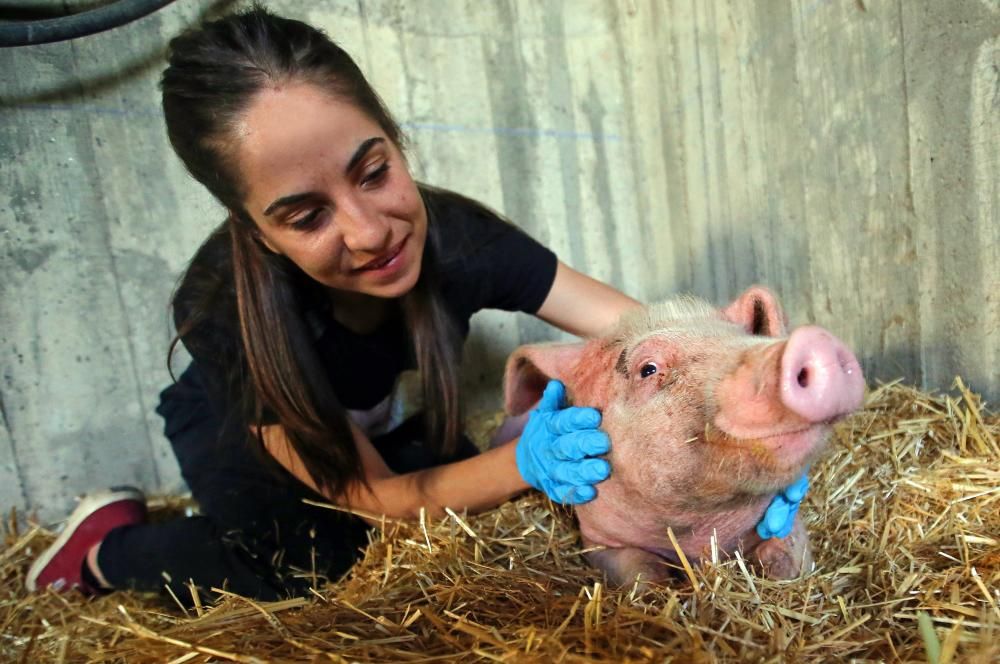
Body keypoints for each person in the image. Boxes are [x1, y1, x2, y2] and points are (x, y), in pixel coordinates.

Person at [26, 6, 805, 602]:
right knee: (316, 560)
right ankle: (103, 550)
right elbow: (371, 499)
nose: (369, 232)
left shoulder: (459, 238)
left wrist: (744, 398)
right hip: (235, 422)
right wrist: (527, 464)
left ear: (395, 141)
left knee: (462, 489)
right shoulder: (226, 313)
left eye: (373, 171)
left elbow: (647, 335)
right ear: (255, 231)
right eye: (306, 215)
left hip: (366, 425)